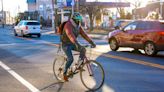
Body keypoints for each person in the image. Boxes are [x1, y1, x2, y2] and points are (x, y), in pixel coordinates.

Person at [60, 12, 96, 81]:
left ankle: (78, 65)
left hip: (73, 43)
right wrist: (76, 43)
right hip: (66, 44)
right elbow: (70, 34)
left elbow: (84, 35)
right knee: (70, 59)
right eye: (77, 20)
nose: (79, 21)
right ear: (74, 19)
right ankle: (64, 73)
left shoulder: (78, 26)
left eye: (79, 20)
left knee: (83, 49)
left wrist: (91, 42)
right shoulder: (68, 25)